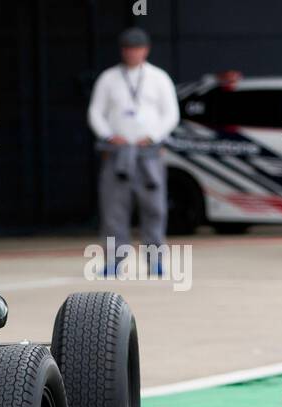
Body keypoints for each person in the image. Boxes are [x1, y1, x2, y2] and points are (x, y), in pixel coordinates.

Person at [88, 26, 180, 275]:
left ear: (145, 50)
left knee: (154, 207)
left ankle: (155, 259)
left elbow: (171, 113)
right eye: (128, 49)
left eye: (137, 49)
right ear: (123, 51)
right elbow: (96, 112)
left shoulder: (159, 78)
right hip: (118, 153)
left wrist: (154, 136)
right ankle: (114, 260)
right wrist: (108, 135)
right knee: (114, 208)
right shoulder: (109, 78)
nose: (132, 54)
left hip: (149, 152)